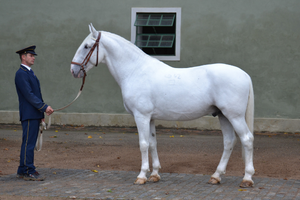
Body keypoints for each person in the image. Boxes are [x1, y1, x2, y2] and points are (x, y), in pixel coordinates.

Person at [15, 45, 54, 181]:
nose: (33, 58)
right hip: (29, 113)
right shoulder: (21, 73)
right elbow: (29, 95)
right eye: (31, 56)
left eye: (33, 56)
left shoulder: (29, 72)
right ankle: (27, 170)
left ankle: (22, 169)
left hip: (34, 114)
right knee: (28, 144)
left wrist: (41, 115)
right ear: (23, 57)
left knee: (29, 142)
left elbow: (37, 94)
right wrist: (44, 107)